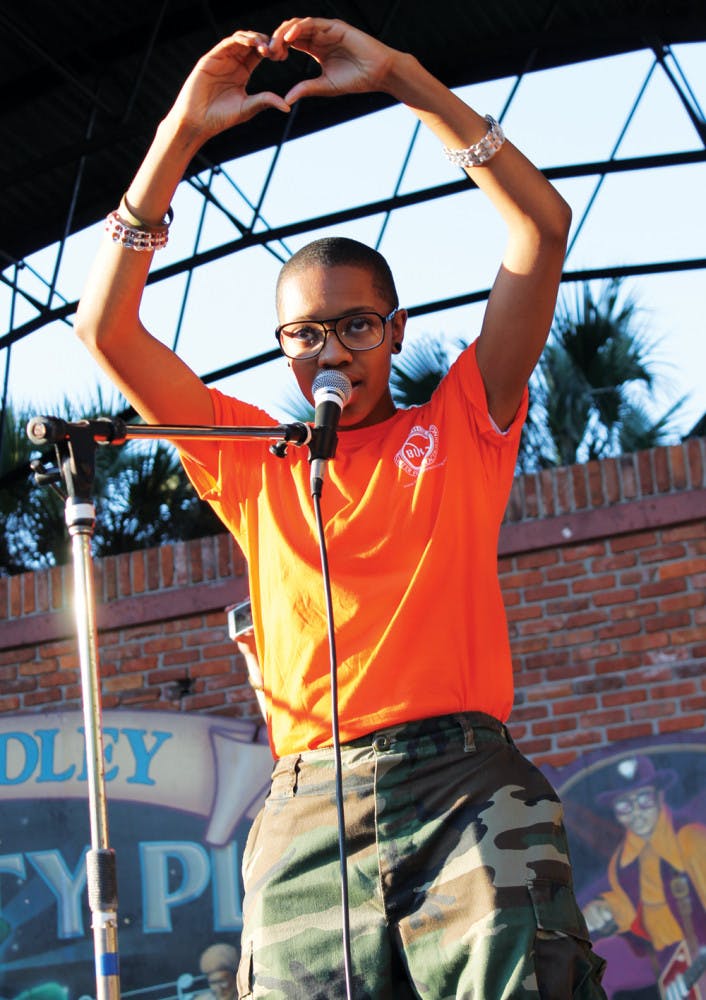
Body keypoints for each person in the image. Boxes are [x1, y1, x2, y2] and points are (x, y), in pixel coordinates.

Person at [75, 15, 607, 998]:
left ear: (395, 329)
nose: (332, 352)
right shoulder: (251, 457)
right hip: (307, 803)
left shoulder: (460, 421)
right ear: (282, 344)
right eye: (304, 333)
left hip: (463, 783)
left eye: (357, 325)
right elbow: (104, 327)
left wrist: (407, 81)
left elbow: (538, 227)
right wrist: (177, 139)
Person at [583, 756, 706, 999]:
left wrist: (697, 967)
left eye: (644, 800)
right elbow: (627, 912)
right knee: (597, 962)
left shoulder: (690, 839)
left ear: (660, 798)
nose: (636, 813)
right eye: (625, 806)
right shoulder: (621, 861)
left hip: (699, 951)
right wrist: (601, 911)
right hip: (658, 958)